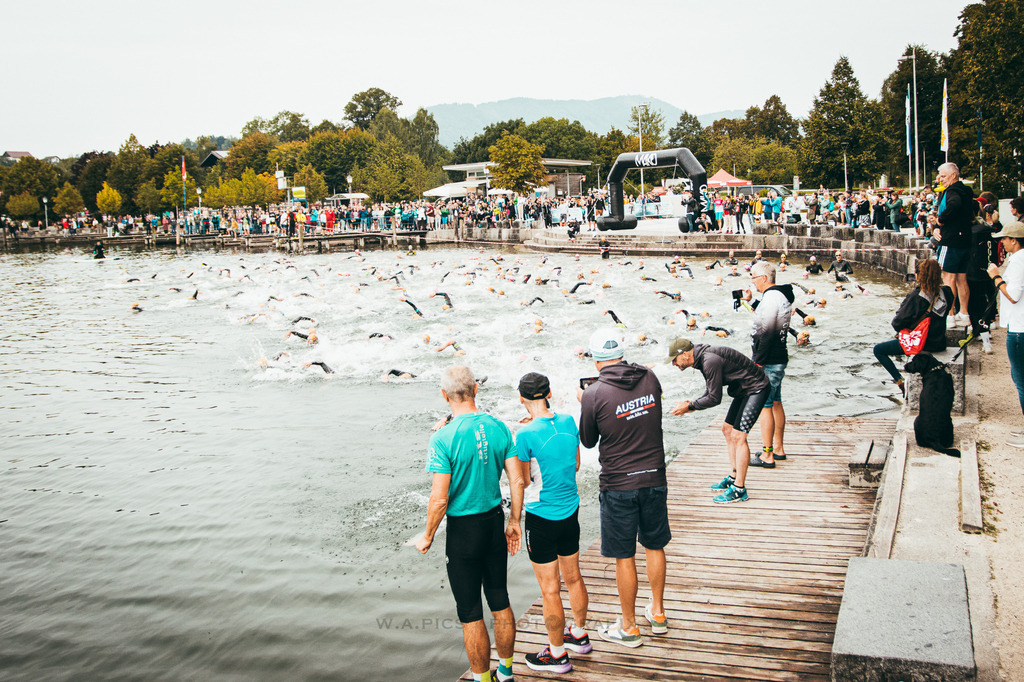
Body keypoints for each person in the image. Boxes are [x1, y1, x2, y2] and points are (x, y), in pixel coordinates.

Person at [416, 366, 524, 682]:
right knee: (500, 599)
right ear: (476, 390)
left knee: (470, 613)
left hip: (463, 532)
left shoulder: (443, 437)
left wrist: (427, 535)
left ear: (444, 395)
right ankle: (506, 671)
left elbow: (438, 499)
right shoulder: (500, 427)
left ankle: (482, 678)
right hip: (493, 523)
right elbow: (517, 480)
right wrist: (514, 521)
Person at [578, 328, 670, 648]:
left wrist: (585, 404)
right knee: (655, 545)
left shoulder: (594, 393)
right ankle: (657, 612)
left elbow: (588, 441)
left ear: (595, 360)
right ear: (622, 351)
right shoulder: (650, 377)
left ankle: (629, 627)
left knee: (624, 555)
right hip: (655, 475)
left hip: (618, 483)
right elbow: (651, 413)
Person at [515, 373, 591, 673]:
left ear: (521, 398)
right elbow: (575, 465)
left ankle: (557, 654)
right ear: (548, 393)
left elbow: (521, 480)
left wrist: (512, 518)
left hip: (540, 516)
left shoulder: (524, 435)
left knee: (550, 589)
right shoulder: (569, 422)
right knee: (573, 577)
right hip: (569, 511)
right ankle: (580, 635)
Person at [667, 338, 770, 503]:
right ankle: (733, 476)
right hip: (744, 390)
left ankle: (739, 489)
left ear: (685, 354)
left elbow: (715, 398)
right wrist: (691, 404)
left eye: (674, 359)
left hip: (756, 388)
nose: (673, 364)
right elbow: (710, 390)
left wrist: (691, 407)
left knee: (739, 436)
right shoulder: (702, 359)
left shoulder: (709, 361)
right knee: (727, 429)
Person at [872, 259, 953, 395]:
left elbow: (897, 323)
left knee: (878, 350)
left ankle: (899, 380)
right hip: (939, 342)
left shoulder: (917, 296)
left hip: (921, 343)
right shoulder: (947, 292)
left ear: (919, 276)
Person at [743, 262, 794, 467]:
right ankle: (779, 448)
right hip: (779, 356)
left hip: (769, 360)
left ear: (763, 278)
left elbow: (768, 331)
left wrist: (758, 363)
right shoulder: (778, 296)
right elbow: (771, 317)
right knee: (776, 402)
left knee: (765, 406)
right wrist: (752, 302)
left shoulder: (772, 298)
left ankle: (767, 454)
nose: (752, 282)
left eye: (754, 278)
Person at [987, 222, 1024, 448]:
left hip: (1019, 329)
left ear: (1015, 240)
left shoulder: (1019, 261)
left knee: (1021, 382)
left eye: (1005, 239)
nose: (1002, 242)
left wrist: (996, 277)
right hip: (1020, 326)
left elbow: (1013, 295)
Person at [928, 163, 976, 326]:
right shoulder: (966, 191)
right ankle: (964, 314)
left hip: (951, 240)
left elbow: (954, 205)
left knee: (948, 278)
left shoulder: (953, 191)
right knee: (962, 278)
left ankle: (949, 315)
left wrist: (941, 220)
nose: (940, 179)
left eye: (943, 176)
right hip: (965, 240)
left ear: (954, 175)